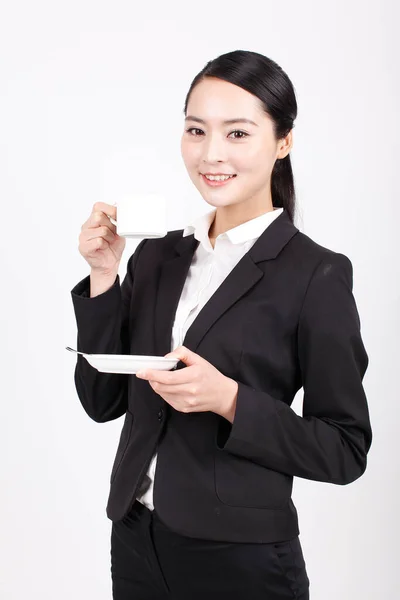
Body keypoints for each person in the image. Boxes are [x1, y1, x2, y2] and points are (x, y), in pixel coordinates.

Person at [70, 50, 372, 600]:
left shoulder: (317, 274)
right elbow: (101, 401)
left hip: (241, 560)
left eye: (238, 133)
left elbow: (344, 449)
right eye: (196, 130)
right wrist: (102, 278)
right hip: (137, 541)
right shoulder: (156, 257)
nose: (211, 153)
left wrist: (230, 400)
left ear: (283, 142)